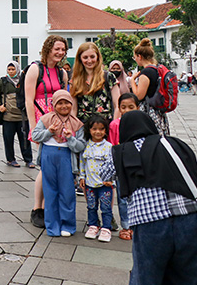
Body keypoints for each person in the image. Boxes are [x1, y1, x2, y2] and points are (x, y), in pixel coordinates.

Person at [102, 111, 197, 284]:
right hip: (190, 221)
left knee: (147, 276)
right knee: (188, 277)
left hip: (150, 224)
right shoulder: (174, 143)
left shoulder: (121, 151)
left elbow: (103, 174)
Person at [25, 35, 68, 228]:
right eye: (57, 49)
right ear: (48, 48)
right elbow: (28, 99)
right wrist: (33, 127)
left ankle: (50, 205)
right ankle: (38, 208)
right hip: (42, 120)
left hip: (58, 122)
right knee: (44, 164)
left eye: (63, 50)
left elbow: (66, 100)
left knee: (54, 164)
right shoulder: (35, 69)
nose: (60, 53)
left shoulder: (62, 73)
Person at [30, 90, 85, 237]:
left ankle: (67, 225)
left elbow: (81, 146)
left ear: (71, 104)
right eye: (59, 103)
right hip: (49, 156)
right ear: (53, 104)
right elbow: (35, 135)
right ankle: (52, 225)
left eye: (66, 102)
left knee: (67, 192)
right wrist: (49, 131)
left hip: (66, 157)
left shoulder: (76, 123)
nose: (63, 106)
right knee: (50, 192)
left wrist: (70, 139)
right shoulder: (46, 119)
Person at [107, 92, 139, 241]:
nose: (126, 110)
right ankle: (126, 226)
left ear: (138, 108)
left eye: (131, 107)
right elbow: (112, 146)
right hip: (121, 167)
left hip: (137, 167)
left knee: (138, 196)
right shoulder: (114, 125)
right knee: (122, 197)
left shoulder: (141, 124)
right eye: (123, 107)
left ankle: (137, 224)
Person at [0, 61, 34, 168]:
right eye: (9, 70)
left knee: (24, 138)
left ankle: (28, 159)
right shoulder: (3, 81)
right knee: (8, 138)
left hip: (22, 116)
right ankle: (11, 159)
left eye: (13, 69)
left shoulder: (23, 80)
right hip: (8, 116)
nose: (10, 72)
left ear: (17, 70)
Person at [79, 115, 114, 242]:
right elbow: (82, 162)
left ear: (105, 131)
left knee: (106, 207)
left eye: (101, 129)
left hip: (105, 184)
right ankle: (93, 225)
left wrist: (112, 180)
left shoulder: (109, 147)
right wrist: (82, 176)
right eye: (94, 129)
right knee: (91, 206)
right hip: (89, 183)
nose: (97, 132)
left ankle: (106, 228)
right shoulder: (86, 146)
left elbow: (112, 165)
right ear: (89, 130)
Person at [70, 42, 120, 124]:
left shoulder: (108, 77)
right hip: (83, 126)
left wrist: (114, 125)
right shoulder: (75, 79)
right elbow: (73, 109)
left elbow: (117, 104)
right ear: (80, 59)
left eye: (92, 57)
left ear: (97, 57)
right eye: (85, 57)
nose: (89, 61)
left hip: (104, 125)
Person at [130, 38, 170, 135]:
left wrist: (132, 81)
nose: (135, 60)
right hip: (158, 111)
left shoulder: (146, 72)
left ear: (139, 56)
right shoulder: (157, 69)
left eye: (134, 57)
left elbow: (139, 96)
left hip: (149, 111)